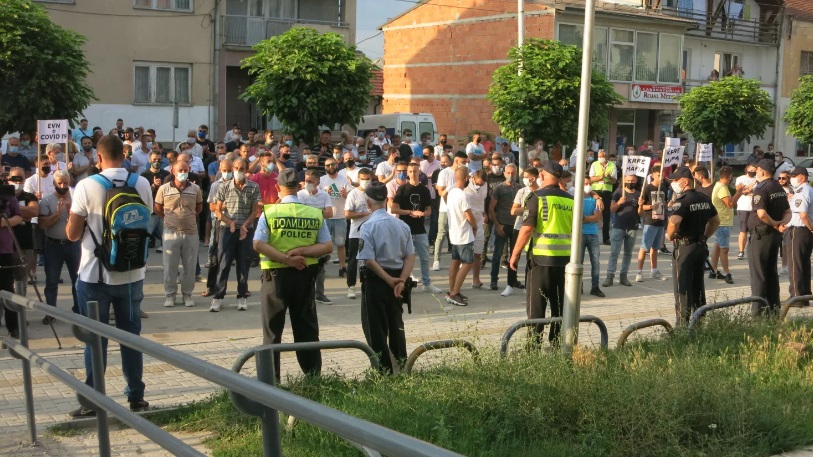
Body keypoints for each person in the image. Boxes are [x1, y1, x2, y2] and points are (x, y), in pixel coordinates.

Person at [65, 134, 152, 417]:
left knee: (95, 339)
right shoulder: (141, 183)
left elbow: (72, 233)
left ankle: (93, 401)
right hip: (131, 273)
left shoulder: (86, 185)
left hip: (94, 276)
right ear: (124, 155)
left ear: (98, 157)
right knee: (131, 337)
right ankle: (136, 397)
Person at [253, 168, 332, 379]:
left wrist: (285, 258)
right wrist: (302, 252)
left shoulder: (270, 212)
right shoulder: (314, 213)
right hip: (305, 276)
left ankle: (270, 381)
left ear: (278, 188)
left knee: (272, 332)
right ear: (298, 188)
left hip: (275, 278)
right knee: (306, 329)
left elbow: (258, 244)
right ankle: (313, 378)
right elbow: (327, 246)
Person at [509, 161, 573, 345]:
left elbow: (527, 229)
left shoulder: (536, 197)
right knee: (559, 306)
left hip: (540, 261)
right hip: (565, 262)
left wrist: (515, 254)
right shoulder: (570, 199)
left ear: (542, 176)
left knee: (536, 307)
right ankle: (556, 345)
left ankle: (534, 347)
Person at [356, 182, 416, 374]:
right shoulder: (401, 225)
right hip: (399, 278)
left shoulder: (367, 227)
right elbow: (410, 255)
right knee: (396, 324)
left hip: (377, 280)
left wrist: (389, 280)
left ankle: (383, 370)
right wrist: (401, 280)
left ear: (368, 203)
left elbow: (369, 260)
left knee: (375, 328)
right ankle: (403, 366)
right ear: (386, 201)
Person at [666, 166, 720, 324]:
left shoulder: (682, 201)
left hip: (685, 248)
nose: (673, 183)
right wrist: (704, 236)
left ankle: (682, 326)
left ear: (684, 181)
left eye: (675, 180)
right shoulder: (703, 198)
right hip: (699, 246)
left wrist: (670, 235)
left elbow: (673, 222)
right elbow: (715, 221)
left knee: (682, 287)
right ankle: (698, 322)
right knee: (697, 286)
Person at [211, 158, 261, 312]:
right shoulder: (224, 186)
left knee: (243, 264)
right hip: (228, 229)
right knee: (224, 263)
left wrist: (245, 225)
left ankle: (242, 296)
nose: (238, 171)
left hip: (246, 230)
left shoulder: (253, 187)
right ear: (233, 168)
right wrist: (230, 222)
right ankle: (218, 297)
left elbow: (255, 211)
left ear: (246, 170)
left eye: (242, 168)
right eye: (236, 168)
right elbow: (218, 210)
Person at [155, 160, 203, 308]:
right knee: (170, 266)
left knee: (190, 267)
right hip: (171, 232)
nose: (183, 173)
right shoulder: (163, 189)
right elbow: (158, 208)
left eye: (185, 170)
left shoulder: (195, 189)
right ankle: (170, 295)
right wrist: (170, 219)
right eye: (180, 170)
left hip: (190, 232)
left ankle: (187, 295)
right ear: (173, 171)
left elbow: (199, 207)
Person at [747, 159, 791, 315]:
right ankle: (773, 310)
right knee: (771, 274)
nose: (755, 172)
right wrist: (780, 224)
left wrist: (774, 224)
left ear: (763, 172)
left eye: (757, 169)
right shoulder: (778, 187)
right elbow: (788, 212)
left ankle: (757, 314)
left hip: (761, 235)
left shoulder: (761, 188)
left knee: (758, 275)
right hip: (773, 236)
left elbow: (761, 214)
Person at [392, 162, 442, 294]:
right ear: (407, 173)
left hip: (420, 229)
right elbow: (394, 208)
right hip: (405, 229)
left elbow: (429, 211)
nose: (413, 174)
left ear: (419, 172)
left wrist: (422, 214)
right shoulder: (402, 189)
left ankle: (426, 283)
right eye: (410, 171)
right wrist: (410, 212)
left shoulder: (424, 190)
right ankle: (403, 283)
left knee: (425, 257)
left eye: (415, 171)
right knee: (404, 258)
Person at [38, 170, 80, 321]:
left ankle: (79, 310)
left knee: (77, 280)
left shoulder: (76, 199)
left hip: (73, 244)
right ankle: (51, 312)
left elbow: (83, 223)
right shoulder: (46, 201)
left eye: (65, 183)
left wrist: (71, 214)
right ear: (54, 184)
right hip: (53, 245)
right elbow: (42, 224)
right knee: (51, 280)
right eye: (60, 183)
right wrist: (56, 214)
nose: (62, 186)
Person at [298, 169, 335, 305]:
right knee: (304, 263)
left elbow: (330, 213)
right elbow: (300, 213)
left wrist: (311, 211)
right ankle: (304, 294)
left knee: (320, 265)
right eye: (306, 181)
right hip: (305, 232)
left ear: (318, 183)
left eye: (310, 182)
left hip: (320, 232)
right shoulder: (300, 195)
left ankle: (319, 294)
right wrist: (319, 211)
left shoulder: (324, 195)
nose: (307, 184)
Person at [446, 166, 477, 306]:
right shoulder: (463, 195)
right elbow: (469, 215)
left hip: (454, 233)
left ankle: (452, 290)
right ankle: (454, 293)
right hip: (464, 234)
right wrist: (475, 226)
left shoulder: (452, 193)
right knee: (467, 263)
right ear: (465, 179)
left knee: (456, 261)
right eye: (469, 177)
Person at [488, 163, 521, 296]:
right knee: (498, 254)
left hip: (516, 226)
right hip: (502, 224)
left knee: (515, 255)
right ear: (504, 173)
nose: (511, 175)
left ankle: (512, 281)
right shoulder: (499, 189)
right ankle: (494, 280)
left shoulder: (520, 188)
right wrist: (497, 224)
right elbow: (491, 208)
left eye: (513, 173)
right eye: (508, 172)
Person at [603, 175, 640, 287]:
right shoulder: (618, 193)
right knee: (614, 252)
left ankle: (623, 276)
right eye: (628, 180)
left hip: (632, 227)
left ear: (636, 181)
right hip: (619, 226)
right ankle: (610, 276)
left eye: (633, 180)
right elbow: (612, 209)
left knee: (628, 253)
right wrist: (619, 202)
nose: (630, 182)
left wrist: (641, 205)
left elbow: (640, 213)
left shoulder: (638, 194)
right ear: (624, 180)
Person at [433, 151, 468, 270]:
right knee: (441, 233)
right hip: (445, 208)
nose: (465, 164)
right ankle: (436, 260)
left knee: (459, 233)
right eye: (463, 162)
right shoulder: (445, 173)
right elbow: (440, 191)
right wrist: (451, 203)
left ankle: (461, 259)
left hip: (460, 209)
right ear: (457, 161)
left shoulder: (464, 173)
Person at [635, 166, 668, 282]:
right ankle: (639, 272)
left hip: (660, 220)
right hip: (650, 221)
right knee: (645, 247)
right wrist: (650, 206)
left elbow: (665, 203)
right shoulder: (647, 188)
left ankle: (654, 270)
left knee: (655, 248)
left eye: (662, 175)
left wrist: (667, 204)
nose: (661, 177)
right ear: (653, 174)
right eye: (659, 175)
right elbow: (640, 207)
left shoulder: (663, 188)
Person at [344, 168, 373, 299]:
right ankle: (351, 286)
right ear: (358, 179)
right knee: (353, 260)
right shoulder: (353, 194)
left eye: (368, 179)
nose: (365, 181)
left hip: (372, 232)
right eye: (363, 179)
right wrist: (363, 213)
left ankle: (368, 285)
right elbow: (347, 214)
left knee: (371, 259)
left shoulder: (374, 193)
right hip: (356, 232)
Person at [319, 157, 351, 277]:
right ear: (325, 167)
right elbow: (316, 196)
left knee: (341, 244)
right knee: (323, 244)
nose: (330, 167)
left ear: (336, 165)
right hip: (326, 217)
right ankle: (321, 268)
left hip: (340, 216)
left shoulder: (344, 180)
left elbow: (351, 198)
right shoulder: (322, 180)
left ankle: (342, 267)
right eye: (328, 165)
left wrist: (345, 195)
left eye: (332, 164)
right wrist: (324, 195)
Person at [786, 166, 813, 308]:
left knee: (795, 265)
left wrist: (811, 227)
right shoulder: (806, 190)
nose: (792, 178)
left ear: (802, 177)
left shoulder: (802, 192)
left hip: (799, 231)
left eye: (794, 176)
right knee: (804, 263)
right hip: (804, 231)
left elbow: (803, 215)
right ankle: (805, 295)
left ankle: (796, 297)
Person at [9, 168, 37, 299]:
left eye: (20, 178)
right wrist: (21, 213)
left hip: (24, 244)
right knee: (6, 283)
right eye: (14, 178)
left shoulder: (29, 196)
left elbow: (33, 212)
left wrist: (12, 208)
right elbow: (26, 213)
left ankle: (20, 317)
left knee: (21, 282)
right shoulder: (4, 196)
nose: (17, 181)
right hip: (6, 246)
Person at [578, 177, 605, 297]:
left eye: (589, 183)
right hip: (580, 234)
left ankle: (595, 287)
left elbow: (597, 217)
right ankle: (579, 287)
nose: (588, 185)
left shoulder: (595, 199)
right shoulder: (576, 199)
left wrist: (583, 219)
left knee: (596, 262)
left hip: (593, 234)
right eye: (585, 184)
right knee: (579, 262)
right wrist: (589, 219)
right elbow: (576, 218)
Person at [709, 166, 735, 283]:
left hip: (722, 221)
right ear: (730, 177)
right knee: (724, 249)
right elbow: (730, 204)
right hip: (723, 222)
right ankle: (727, 272)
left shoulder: (719, 186)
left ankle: (713, 270)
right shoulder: (722, 188)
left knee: (718, 246)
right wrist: (739, 192)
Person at [464, 169, 488, 289]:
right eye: (478, 183)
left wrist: (485, 213)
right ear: (473, 178)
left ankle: (476, 280)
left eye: (482, 184)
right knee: (463, 254)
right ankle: (457, 282)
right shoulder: (465, 187)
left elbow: (485, 200)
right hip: (466, 222)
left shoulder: (485, 185)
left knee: (477, 254)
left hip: (479, 222)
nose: (480, 185)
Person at [588, 149, 617, 245]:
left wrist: (608, 177)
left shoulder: (612, 165)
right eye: (599, 156)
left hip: (607, 191)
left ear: (606, 157)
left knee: (606, 215)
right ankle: (591, 236)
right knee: (594, 212)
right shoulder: (594, 164)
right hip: (596, 191)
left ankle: (606, 238)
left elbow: (614, 180)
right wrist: (601, 176)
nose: (601, 158)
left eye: (603, 156)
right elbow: (591, 178)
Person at [733, 163, 757, 260]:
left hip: (755, 207)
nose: (752, 170)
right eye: (751, 168)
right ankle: (741, 251)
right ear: (747, 168)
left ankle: (753, 250)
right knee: (743, 230)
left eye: (754, 169)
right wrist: (752, 185)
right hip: (744, 207)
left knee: (754, 231)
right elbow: (741, 190)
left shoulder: (758, 179)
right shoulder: (741, 178)